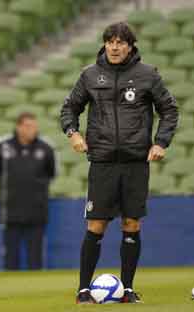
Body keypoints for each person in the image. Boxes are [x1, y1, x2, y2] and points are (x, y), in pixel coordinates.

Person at [60, 22, 178, 304]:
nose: (114, 47)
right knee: (96, 224)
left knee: (131, 223)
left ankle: (126, 289)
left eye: (120, 42)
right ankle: (83, 290)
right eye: (110, 42)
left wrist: (161, 142)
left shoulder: (147, 75)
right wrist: (72, 133)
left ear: (130, 46)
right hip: (102, 161)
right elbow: (69, 108)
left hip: (136, 161)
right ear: (105, 44)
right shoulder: (89, 75)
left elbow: (169, 110)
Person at [0, 112, 56, 270]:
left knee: (35, 260)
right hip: (11, 212)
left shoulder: (45, 149)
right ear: (19, 127)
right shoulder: (3, 147)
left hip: (36, 212)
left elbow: (51, 174)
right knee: (11, 259)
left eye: (34, 126)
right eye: (28, 126)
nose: (32, 129)